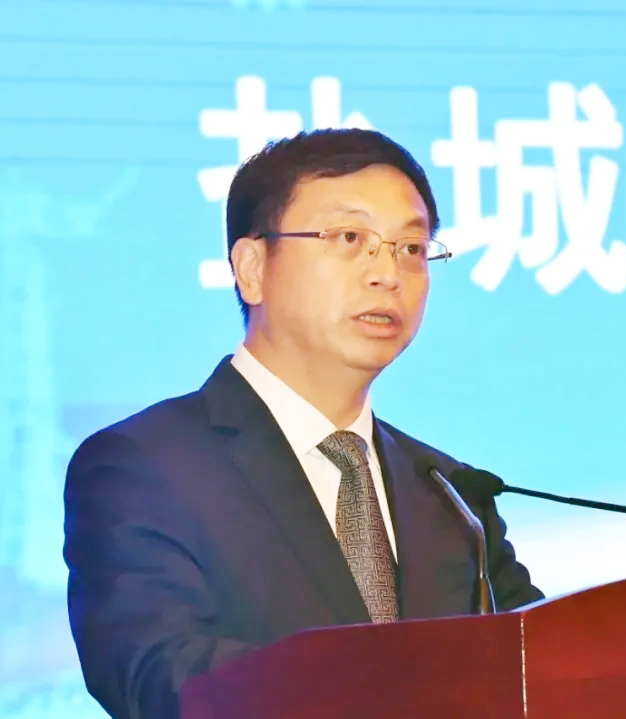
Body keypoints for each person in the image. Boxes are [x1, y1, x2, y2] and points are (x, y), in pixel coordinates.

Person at [64, 128, 543, 719]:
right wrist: (405, 690)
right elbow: (158, 675)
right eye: (350, 238)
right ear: (252, 268)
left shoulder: (451, 494)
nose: (388, 274)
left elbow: (545, 666)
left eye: (412, 248)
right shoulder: (144, 466)